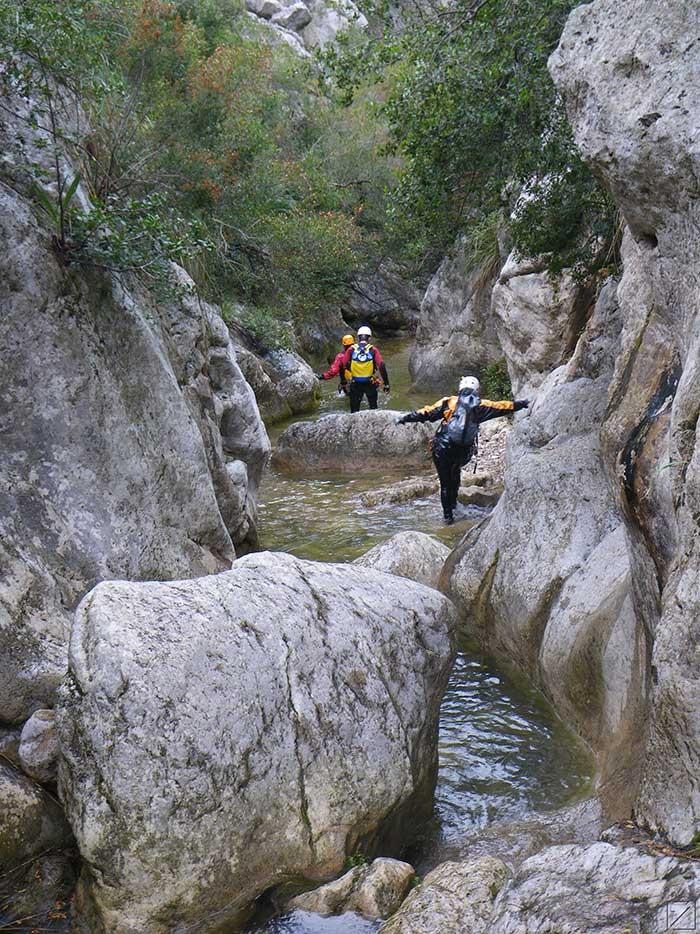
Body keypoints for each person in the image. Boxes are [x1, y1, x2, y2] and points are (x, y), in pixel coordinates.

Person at [396, 376, 529, 524]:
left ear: (460, 388)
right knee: (455, 474)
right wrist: (522, 404)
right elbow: (503, 406)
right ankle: (454, 507)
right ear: (476, 390)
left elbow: (426, 413)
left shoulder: (449, 402)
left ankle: (448, 518)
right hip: (463, 452)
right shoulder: (482, 405)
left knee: (445, 483)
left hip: (442, 448)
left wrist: (405, 418)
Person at [338, 325, 390, 413]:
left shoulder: (351, 349)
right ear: (369, 338)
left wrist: (343, 380)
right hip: (370, 383)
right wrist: (386, 384)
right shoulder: (373, 350)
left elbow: (341, 365)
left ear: (358, 338)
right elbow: (381, 365)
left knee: (354, 411)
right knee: (373, 409)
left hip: (355, 384)